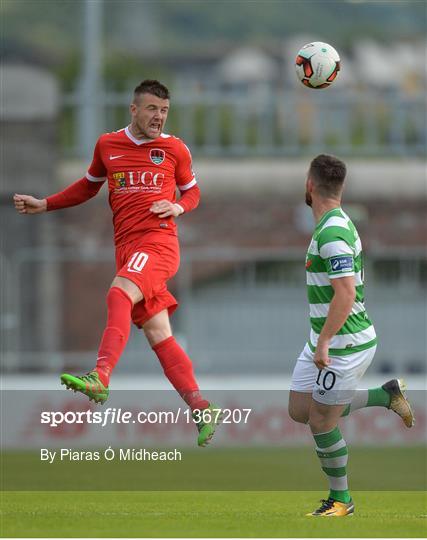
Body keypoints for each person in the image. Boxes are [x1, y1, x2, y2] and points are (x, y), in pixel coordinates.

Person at [14, 79, 221, 447]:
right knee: (160, 335)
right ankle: (201, 406)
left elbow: (192, 191)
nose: (159, 117)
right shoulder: (108, 145)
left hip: (158, 244)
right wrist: (45, 204)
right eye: (153, 110)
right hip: (128, 249)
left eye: (164, 111)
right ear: (134, 109)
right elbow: (87, 186)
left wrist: (177, 206)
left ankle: (101, 376)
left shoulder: (174, 149)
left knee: (118, 293)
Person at [288, 154, 414, 517]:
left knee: (321, 421)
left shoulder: (333, 232)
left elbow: (345, 294)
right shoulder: (331, 223)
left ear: (310, 185)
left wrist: (325, 341)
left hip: (344, 345)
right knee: (300, 409)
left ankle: (342, 500)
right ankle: (385, 395)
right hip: (324, 339)